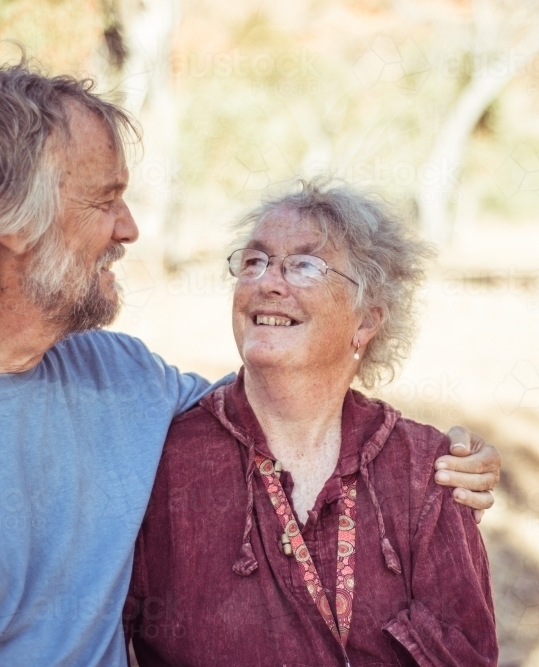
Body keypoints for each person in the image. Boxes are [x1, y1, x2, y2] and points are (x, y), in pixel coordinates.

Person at [0, 64, 500, 666]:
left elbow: (282, 402)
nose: (129, 228)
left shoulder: (123, 378)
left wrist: (446, 460)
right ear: (10, 220)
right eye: (103, 199)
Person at [125, 181, 498, 666]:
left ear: (366, 321)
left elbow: (466, 654)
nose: (268, 282)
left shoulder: (425, 470)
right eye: (255, 261)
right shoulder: (164, 460)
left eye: (304, 265)